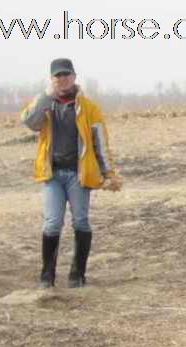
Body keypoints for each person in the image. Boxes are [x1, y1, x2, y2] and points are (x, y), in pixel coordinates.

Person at [21, 57, 120, 288]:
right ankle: (47, 276)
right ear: (52, 79)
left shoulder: (89, 108)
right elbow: (29, 122)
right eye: (58, 76)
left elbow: (100, 143)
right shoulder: (44, 104)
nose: (62, 79)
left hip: (79, 174)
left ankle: (77, 275)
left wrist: (109, 173)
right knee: (52, 224)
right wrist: (46, 97)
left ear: (74, 77)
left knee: (81, 222)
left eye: (66, 74)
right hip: (53, 175)